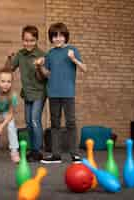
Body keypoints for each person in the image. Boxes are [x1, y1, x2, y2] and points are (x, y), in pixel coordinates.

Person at [35, 22, 87, 164]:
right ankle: (56, 155)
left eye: (61, 36)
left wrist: (73, 59)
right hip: (53, 93)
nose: (58, 39)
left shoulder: (72, 50)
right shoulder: (50, 54)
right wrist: (40, 66)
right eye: (54, 36)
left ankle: (75, 154)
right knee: (55, 124)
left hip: (68, 93)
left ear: (65, 37)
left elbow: (85, 68)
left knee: (71, 123)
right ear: (51, 38)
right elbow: (47, 74)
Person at [5, 25, 46, 162]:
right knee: (28, 123)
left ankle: (38, 151)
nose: (28, 43)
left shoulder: (41, 55)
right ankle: (33, 150)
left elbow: (43, 78)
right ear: (22, 40)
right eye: (26, 40)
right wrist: (9, 58)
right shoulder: (20, 54)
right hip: (27, 93)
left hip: (39, 92)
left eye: (32, 41)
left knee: (35, 120)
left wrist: (39, 67)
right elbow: (9, 69)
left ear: (36, 40)